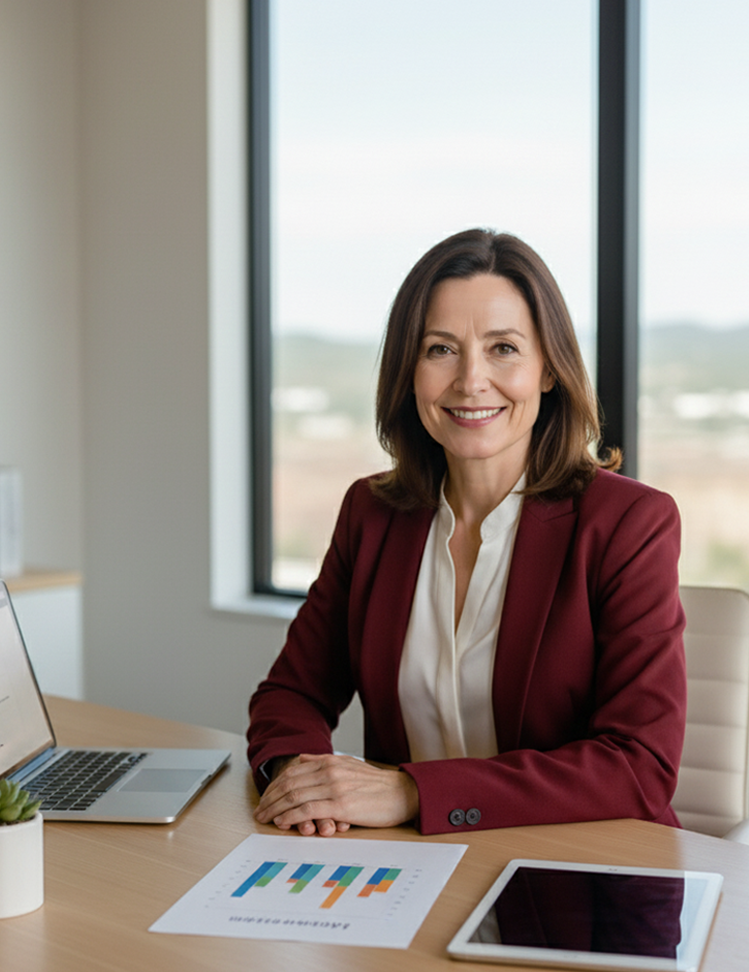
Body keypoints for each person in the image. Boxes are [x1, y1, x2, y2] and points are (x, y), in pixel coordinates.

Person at [248, 228, 686, 837]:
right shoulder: (372, 514)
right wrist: (300, 777)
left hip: (584, 871)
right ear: (410, 371)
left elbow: (638, 768)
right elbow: (291, 694)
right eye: (440, 349)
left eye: (503, 348)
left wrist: (411, 792)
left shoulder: (627, 524)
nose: (470, 380)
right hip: (413, 870)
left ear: (549, 370)